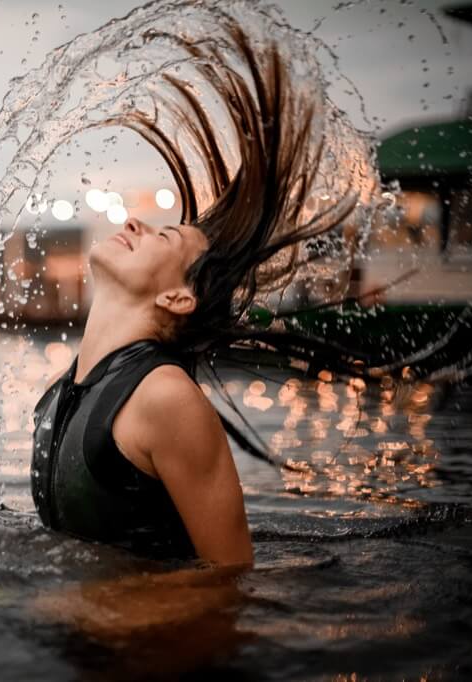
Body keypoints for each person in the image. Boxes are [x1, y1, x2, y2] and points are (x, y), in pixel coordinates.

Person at [30, 24, 363, 568]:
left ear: (178, 299)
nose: (135, 222)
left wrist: (92, 611)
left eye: (162, 236)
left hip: (158, 652)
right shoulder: (60, 393)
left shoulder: (166, 399)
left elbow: (231, 580)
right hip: (82, 646)